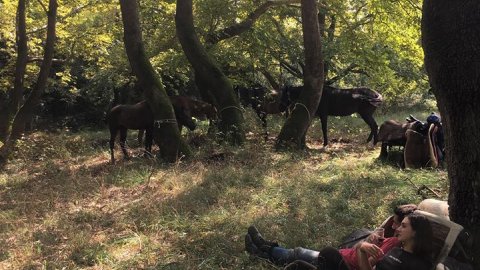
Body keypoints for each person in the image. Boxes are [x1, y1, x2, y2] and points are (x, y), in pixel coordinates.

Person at [245, 204, 417, 269]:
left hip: (343, 264)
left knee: (298, 254)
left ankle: (262, 251)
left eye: (400, 224)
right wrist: (367, 241)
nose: (394, 226)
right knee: (298, 255)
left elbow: (367, 265)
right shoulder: (394, 241)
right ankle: (265, 248)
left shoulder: (395, 245)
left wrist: (362, 247)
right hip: (344, 256)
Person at [357, 213, 433, 270]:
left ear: (416, 232)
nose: (398, 229)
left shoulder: (421, 265)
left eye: (403, 226)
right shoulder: (395, 250)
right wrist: (362, 249)